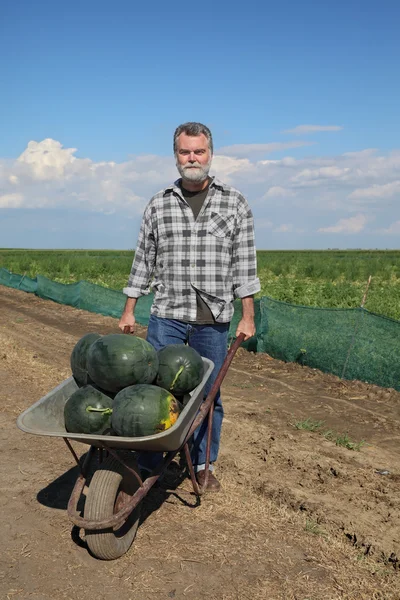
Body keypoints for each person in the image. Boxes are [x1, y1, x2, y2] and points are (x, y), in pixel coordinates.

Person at [119, 122, 260, 491]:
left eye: (198, 151)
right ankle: (150, 461)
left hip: (213, 318)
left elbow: (244, 264)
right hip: (167, 313)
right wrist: (129, 308)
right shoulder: (159, 203)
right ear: (176, 155)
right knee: (156, 390)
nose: (192, 158)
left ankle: (202, 464)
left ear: (210, 154)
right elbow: (143, 260)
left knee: (207, 395)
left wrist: (248, 316)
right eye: (185, 152)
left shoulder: (234, 202)